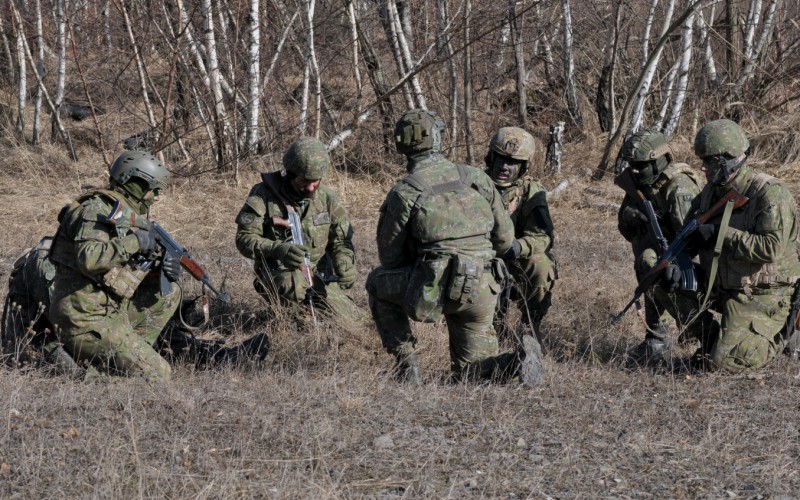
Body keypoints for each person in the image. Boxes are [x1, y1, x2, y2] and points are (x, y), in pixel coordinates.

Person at [365, 109, 544, 386]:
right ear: (438, 139)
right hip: (483, 289)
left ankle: (406, 365)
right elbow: (505, 241)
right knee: (468, 373)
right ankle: (512, 363)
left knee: (377, 282)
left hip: (433, 286)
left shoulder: (406, 191)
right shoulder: (476, 177)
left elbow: (389, 258)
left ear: (401, 144)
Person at [47, 151, 183, 380]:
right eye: (154, 189)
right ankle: (78, 373)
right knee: (158, 375)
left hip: (111, 310)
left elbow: (117, 273)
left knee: (168, 294)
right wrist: (135, 241)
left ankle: (127, 355)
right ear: (135, 183)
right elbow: (89, 260)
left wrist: (161, 272)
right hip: (83, 319)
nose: (156, 197)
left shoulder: (122, 212)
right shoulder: (95, 210)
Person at [682, 119, 800, 371]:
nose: (702, 168)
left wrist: (719, 234)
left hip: (762, 293)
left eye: (710, 161)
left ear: (730, 160)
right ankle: (711, 340)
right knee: (664, 277)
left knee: (727, 363)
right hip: (723, 286)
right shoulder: (710, 193)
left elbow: (770, 248)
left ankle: (787, 336)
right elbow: (690, 232)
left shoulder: (769, 193)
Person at [615, 129, 718, 363]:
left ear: (661, 159)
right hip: (658, 257)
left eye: (642, 165)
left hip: (690, 264)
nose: (636, 170)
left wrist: (670, 260)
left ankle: (706, 335)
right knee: (647, 261)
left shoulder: (679, 187)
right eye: (632, 165)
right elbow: (627, 233)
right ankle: (656, 335)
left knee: (657, 266)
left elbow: (692, 241)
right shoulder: (638, 183)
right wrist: (630, 216)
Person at [235, 136, 364, 321]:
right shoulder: (263, 195)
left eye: (316, 181)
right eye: (304, 181)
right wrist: (278, 249)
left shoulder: (327, 198)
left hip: (319, 278)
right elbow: (243, 239)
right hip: (280, 275)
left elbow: (341, 241)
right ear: (289, 173)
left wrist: (344, 263)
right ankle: (290, 320)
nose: (311, 187)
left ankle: (315, 315)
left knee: (355, 322)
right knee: (292, 285)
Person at [484, 127, 557, 343]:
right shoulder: (475, 184)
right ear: (491, 157)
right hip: (479, 257)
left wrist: (518, 247)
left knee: (541, 264)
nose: (504, 167)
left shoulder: (531, 191)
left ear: (524, 166)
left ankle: (530, 327)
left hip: (514, 256)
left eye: (513, 162)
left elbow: (543, 237)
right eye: (500, 159)